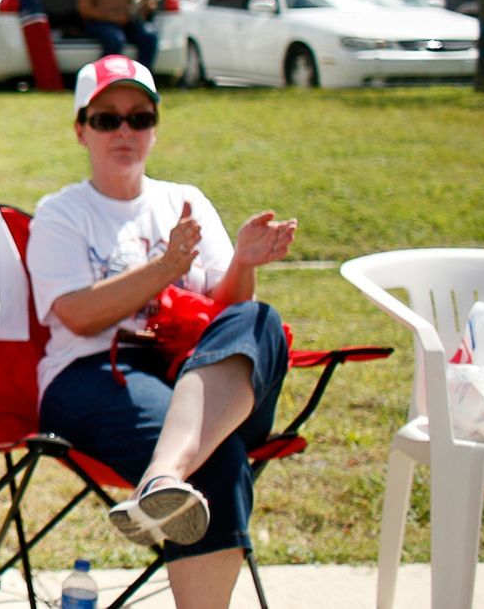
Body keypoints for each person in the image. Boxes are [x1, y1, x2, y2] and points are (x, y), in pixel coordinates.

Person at [26, 56, 296, 609]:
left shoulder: (184, 199)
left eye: (139, 117)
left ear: (154, 126)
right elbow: (76, 315)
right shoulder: (61, 213)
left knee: (261, 319)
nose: (124, 131)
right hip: (93, 371)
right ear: (81, 129)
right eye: (106, 119)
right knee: (218, 462)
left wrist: (242, 263)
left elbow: (227, 318)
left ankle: (161, 476)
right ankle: (169, 478)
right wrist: (166, 267)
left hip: (190, 374)